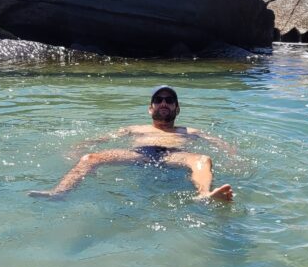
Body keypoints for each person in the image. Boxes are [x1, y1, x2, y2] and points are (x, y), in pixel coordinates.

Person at [30, 86, 235, 201]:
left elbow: (221, 144)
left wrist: (234, 158)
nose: (164, 103)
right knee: (90, 158)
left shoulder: (190, 131)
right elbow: (100, 139)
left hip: (175, 154)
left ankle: (204, 194)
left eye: (169, 100)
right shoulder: (135, 128)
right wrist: (78, 148)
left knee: (202, 159)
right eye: (158, 99)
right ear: (150, 108)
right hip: (140, 153)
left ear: (177, 108)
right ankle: (59, 192)